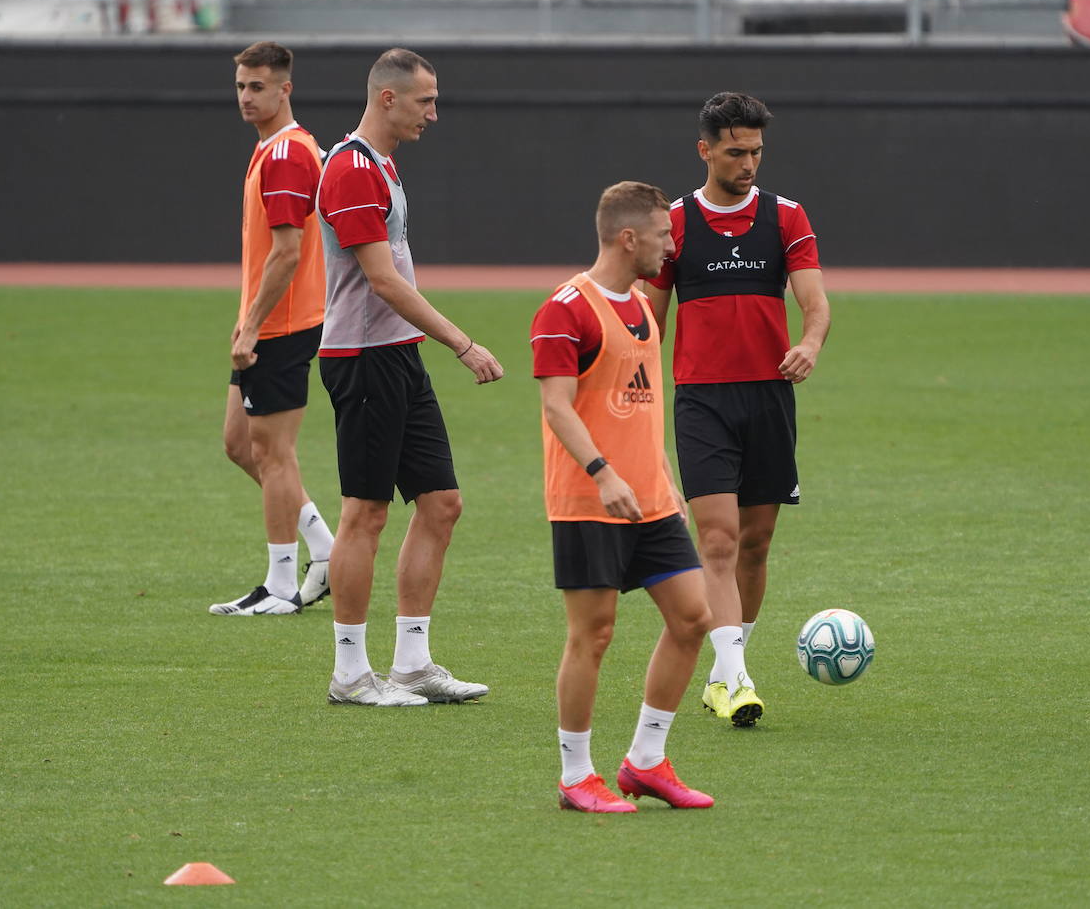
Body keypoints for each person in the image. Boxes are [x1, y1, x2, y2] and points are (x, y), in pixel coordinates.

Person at [315, 48, 502, 706]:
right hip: (363, 357)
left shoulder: (383, 165)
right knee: (364, 513)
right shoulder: (349, 169)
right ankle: (349, 674)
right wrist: (463, 342)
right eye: (425, 100)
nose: (434, 112)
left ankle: (414, 664)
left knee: (441, 503)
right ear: (388, 98)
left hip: (396, 354)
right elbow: (382, 280)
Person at [642, 92, 832, 728]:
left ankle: (726, 669)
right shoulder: (673, 224)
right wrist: (631, 396)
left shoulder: (786, 217)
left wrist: (808, 343)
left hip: (769, 398)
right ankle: (737, 678)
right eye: (735, 151)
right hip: (703, 401)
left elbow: (815, 303)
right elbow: (647, 324)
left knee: (756, 543)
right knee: (717, 541)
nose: (748, 162)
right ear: (705, 150)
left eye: (756, 151)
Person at [532, 181, 715, 813]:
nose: (672, 245)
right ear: (628, 237)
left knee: (693, 618)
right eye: (664, 235)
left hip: (651, 500)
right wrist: (604, 472)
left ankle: (645, 762)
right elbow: (557, 406)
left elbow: (640, 402)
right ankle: (575, 776)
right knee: (594, 634)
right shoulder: (565, 308)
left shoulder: (641, 303)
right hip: (588, 500)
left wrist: (660, 473)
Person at [209, 41, 336, 616]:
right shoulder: (278, 148)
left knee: (274, 452)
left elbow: (288, 253)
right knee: (241, 445)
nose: (245, 96)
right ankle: (324, 548)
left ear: (285, 88)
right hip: (269, 320)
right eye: (240, 85)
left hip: (282, 323)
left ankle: (282, 584)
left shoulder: (287, 155)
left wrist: (252, 327)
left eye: (257, 86)